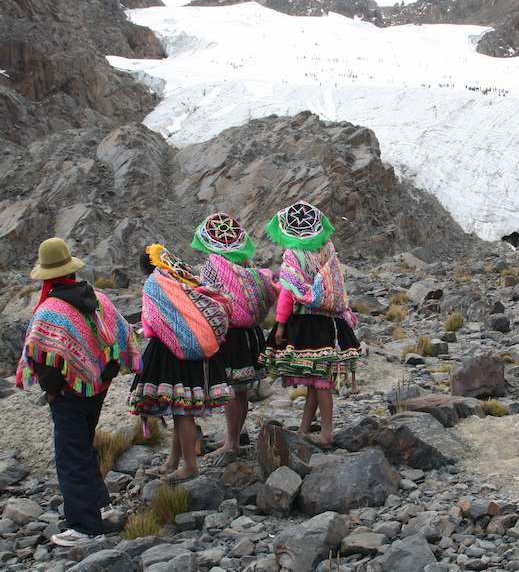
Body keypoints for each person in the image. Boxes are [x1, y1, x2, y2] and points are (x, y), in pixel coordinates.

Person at [16, 238, 141, 547]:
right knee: (84, 446)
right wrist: (106, 377)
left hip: (70, 394)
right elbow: (120, 335)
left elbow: (46, 358)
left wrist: (52, 392)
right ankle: (101, 505)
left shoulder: (51, 310)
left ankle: (85, 527)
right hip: (97, 388)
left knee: (71, 456)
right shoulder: (98, 298)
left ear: (46, 274)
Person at [259, 201, 365, 446]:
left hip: (305, 323)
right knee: (316, 381)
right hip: (330, 322)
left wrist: (281, 325)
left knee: (320, 382)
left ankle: (326, 433)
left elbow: (287, 293)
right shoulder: (327, 249)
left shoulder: (293, 254)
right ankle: (304, 430)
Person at [128, 245, 234, 482]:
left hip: (170, 353)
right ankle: (171, 462)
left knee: (182, 412)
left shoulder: (155, 284)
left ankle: (189, 466)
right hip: (193, 348)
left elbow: (149, 327)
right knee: (179, 409)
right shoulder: (181, 278)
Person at [190, 213, 279, 457]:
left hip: (228, 336)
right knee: (241, 391)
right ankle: (235, 437)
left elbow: (206, 297)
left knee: (229, 388)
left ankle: (231, 442)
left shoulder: (213, 264)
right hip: (250, 334)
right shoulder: (245, 264)